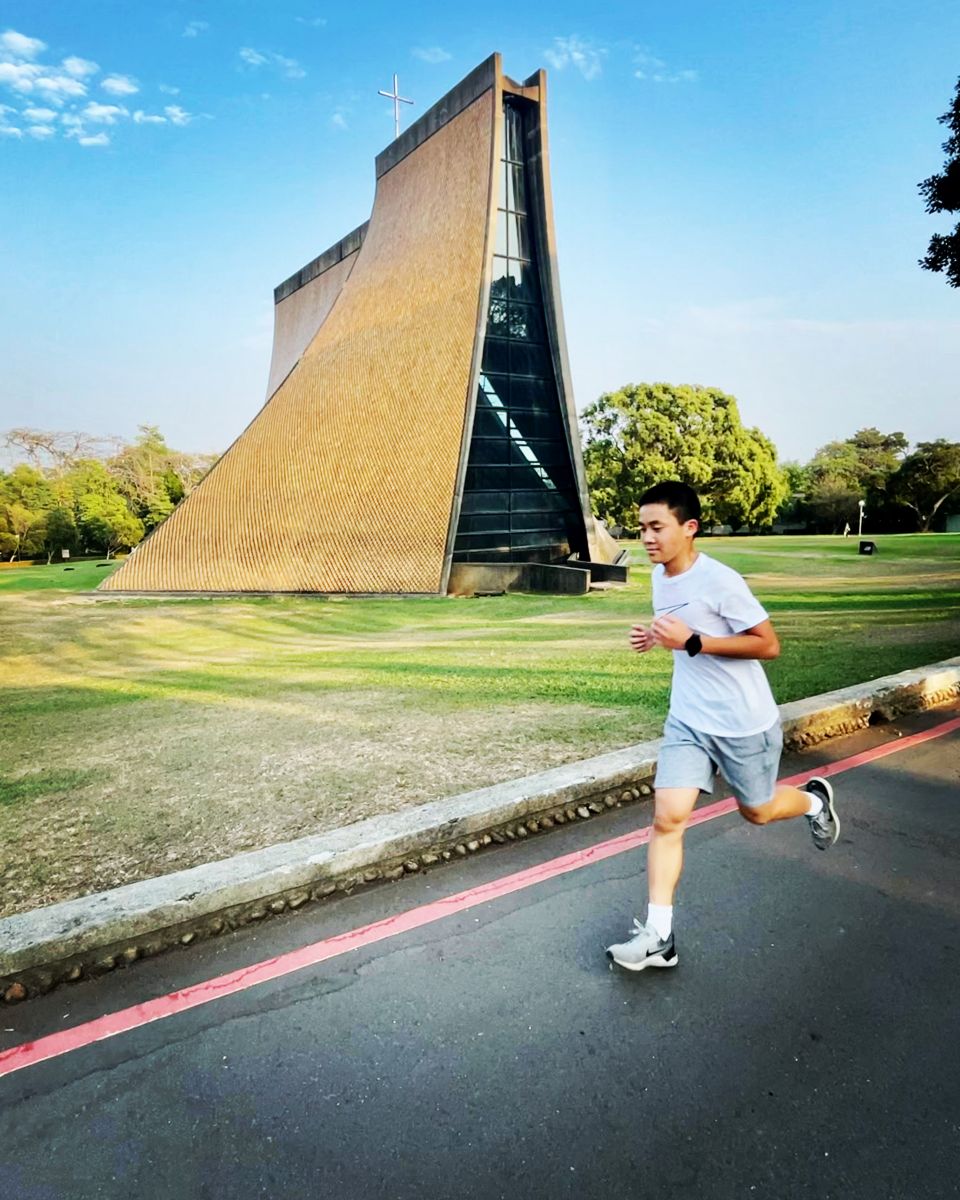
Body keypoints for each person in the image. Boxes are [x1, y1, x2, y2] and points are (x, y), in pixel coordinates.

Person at [606, 481, 839, 973]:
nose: (646, 537)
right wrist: (656, 638)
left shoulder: (720, 580)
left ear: (689, 528)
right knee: (667, 818)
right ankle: (660, 937)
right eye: (641, 527)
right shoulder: (660, 577)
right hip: (688, 719)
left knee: (758, 811)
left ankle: (814, 801)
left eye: (656, 527)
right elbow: (682, 630)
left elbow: (767, 645)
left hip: (742, 723)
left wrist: (693, 641)